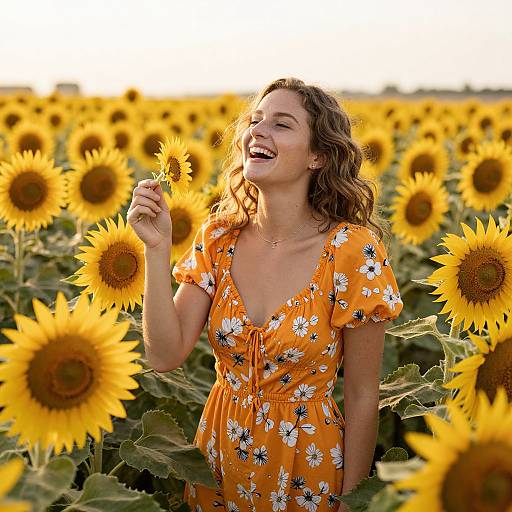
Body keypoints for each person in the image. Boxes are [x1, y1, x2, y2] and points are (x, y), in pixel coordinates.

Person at [127, 77, 403, 512]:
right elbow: (164, 355)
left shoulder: (352, 251)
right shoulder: (218, 239)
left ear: (318, 155)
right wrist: (157, 249)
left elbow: (363, 394)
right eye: (255, 121)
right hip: (217, 463)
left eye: (281, 124)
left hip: (308, 468)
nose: (257, 131)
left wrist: (351, 500)